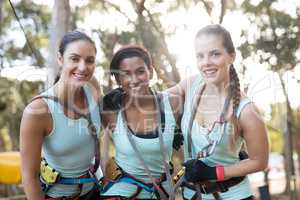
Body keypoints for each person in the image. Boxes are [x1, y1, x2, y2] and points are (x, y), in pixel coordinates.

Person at [168, 24, 269, 200]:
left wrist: (215, 172)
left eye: (215, 54)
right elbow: (157, 103)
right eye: (200, 56)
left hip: (233, 196)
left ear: (232, 56)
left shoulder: (246, 111)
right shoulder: (191, 85)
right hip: (191, 196)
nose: (206, 62)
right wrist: (124, 96)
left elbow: (260, 161)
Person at [20, 30, 102, 200]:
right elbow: (29, 178)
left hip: (94, 191)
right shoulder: (38, 111)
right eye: (74, 58)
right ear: (60, 59)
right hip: (58, 196)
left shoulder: (93, 87)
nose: (82, 67)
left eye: (89, 60)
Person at [101, 45, 183, 199]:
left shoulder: (172, 104)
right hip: (121, 193)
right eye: (126, 74)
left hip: (163, 193)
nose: (134, 79)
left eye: (140, 71)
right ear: (118, 79)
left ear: (150, 72)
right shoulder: (110, 112)